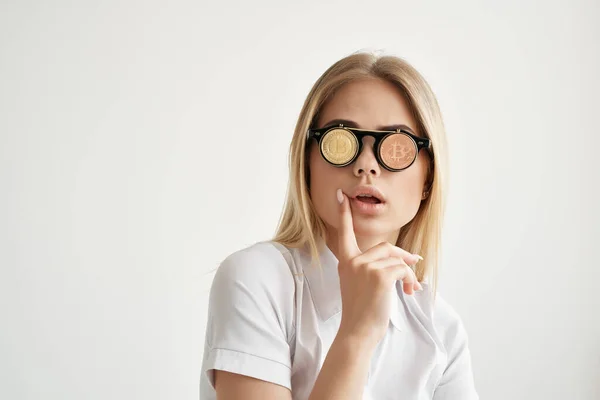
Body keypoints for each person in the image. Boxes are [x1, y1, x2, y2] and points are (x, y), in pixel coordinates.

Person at [199, 51, 479, 400]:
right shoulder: (257, 279)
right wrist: (357, 334)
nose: (365, 165)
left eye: (396, 146)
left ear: (428, 178)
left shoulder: (442, 329)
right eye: (340, 140)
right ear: (307, 164)